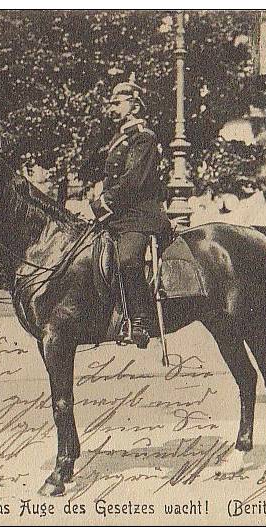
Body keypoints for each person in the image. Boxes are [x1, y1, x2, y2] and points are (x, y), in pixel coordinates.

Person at [90, 81, 171, 348]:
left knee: (128, 259)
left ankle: (140, 320)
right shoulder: (120, 137)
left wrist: (106, 201)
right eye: (112, 104)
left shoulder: (144, 137)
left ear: (134, 105)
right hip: (120, 214)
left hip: (141, 215)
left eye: (118, 103)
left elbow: (133, 180)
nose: (113, 108)